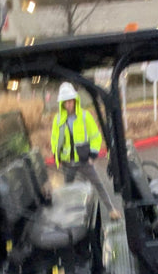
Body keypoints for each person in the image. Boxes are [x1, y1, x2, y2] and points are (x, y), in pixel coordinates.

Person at [50, 82, 121, 221]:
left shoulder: (84, 116)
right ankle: (67, 216)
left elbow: (95, 135)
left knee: (98, 184)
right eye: (66, 102)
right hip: (67, 162)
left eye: (70, 101)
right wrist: (57, 158)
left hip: (83, 160)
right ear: (62, 103)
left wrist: (93, 154)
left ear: (75, 101)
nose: (68, 105)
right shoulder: (58, 119)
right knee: (67, 190)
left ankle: (112, 210)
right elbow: (55, 140)